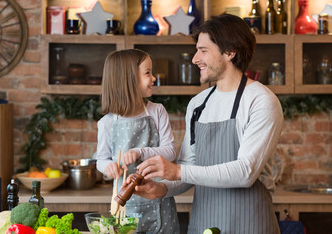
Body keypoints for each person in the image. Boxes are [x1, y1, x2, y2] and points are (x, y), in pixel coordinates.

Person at [134, 14, 284, 234]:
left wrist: (176, 171)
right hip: (203, 224)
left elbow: (245, 172)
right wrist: (161, 188)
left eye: (203, 50)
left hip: (250, 224)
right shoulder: (198, 104)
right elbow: (190, 167)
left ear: (230, 52)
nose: (195, 59)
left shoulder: (260, 100)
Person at [96, 49, 180, 233]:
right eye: (148, 73)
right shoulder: (107, 123)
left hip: (160, 201)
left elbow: (171, 150)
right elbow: (101, 159)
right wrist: (107, 166)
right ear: (128, 79)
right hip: (126, 205)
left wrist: (140, 152)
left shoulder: (157, 111)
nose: (154, 78)